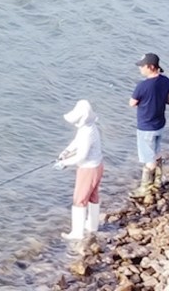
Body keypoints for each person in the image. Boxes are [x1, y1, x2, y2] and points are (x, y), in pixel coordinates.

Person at [56, 99, 104, 239]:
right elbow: (76, 142)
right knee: (93, 196)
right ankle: (92, 226)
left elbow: (81, 156)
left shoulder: (87, 133)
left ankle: (77, 233)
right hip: (98, 166)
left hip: (88, 169)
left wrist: (65, 163)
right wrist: (65, 152)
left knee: (79, 199)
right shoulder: (90, 127)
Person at [129, 52, 169, 199]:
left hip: (145, 127)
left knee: (148, 159)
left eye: (142, 66)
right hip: (160, 124)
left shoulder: (142, 86)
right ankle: (157, 182)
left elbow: (132, 103)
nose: (140, 69)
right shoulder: (166, 81)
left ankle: (145, 189)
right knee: (156, 151)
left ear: (151, 67)